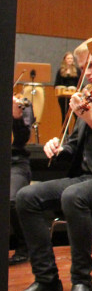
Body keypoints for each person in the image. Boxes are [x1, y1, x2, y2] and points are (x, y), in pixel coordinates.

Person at [8, 41, 92, 291]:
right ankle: (46, 280)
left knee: (73, 196)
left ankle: (81, 282)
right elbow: (75, 146)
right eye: (84, 67)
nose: (87, 73)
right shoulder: (89, 97)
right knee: (26, 196)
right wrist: (59, 148)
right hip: (86, 178)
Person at [9, 93, 34, 265]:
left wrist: (16, 118)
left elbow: (23, 138)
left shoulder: (21, 104)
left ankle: (24, 247)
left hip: (16, 163)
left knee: (11, 199)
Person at [54, 51, 79, 121]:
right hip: (63, 96)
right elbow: (56, 83)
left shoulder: (77, 70)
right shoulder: (60, 70)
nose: (70, 60)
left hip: (73, 95)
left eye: (71, 58)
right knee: (64, 114)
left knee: (76, 114)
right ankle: (65, 130)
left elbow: (80, 83)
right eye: (68, 58)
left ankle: (75, 130)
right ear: (65, 60)